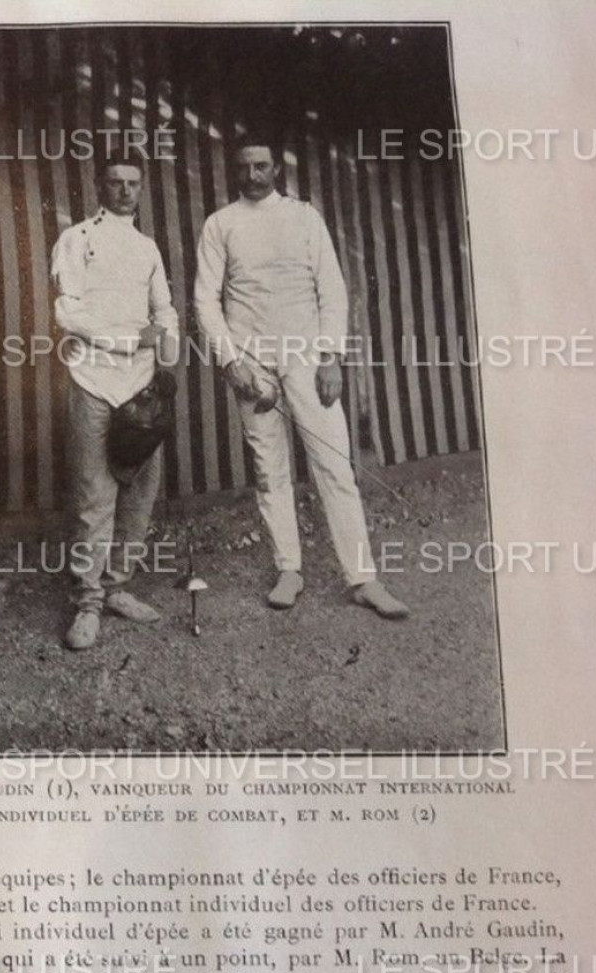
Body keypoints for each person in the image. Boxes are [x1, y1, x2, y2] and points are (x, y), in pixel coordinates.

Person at [193, 134, 409, 619]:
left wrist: (331, 356)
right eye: (245, 166)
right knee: (270, 471)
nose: (252, 175)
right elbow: (205, 299)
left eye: (262, 165)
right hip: (252, 363)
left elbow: (331, 289)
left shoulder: (305, 217)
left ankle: (363, 578)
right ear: (236, 170)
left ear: (277, 170)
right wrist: (232, 362)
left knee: (334, 465)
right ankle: (288, 569)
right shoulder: (219, 224)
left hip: (307, 358)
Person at [50, 151, 180, 649]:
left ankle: (116, 586)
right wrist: (130, 340)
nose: (124, 190)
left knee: (139, 494)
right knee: (94, 495)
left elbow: (163, 307)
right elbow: (69, 314)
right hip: (94, 382)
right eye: (115, 182)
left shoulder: (147, 247)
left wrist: (165, 344)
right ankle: (87, 602)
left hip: (141, 387)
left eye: (132, 183)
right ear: (100, 187)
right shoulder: (76, 239)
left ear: (140, 188)